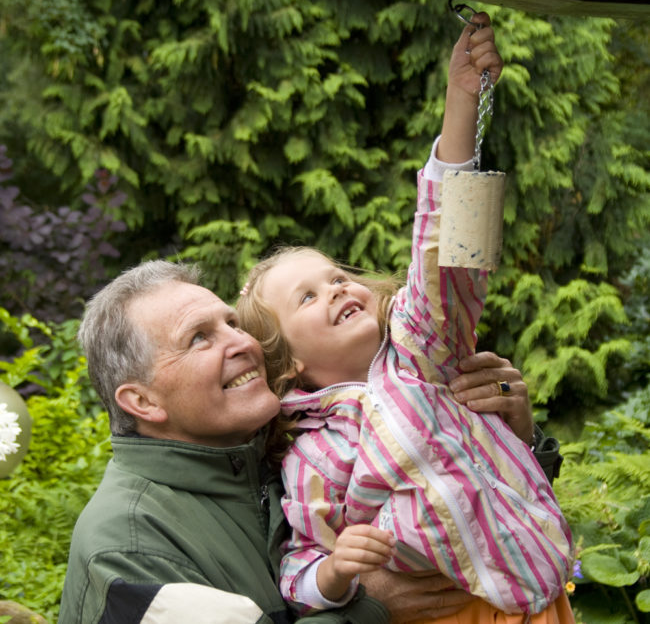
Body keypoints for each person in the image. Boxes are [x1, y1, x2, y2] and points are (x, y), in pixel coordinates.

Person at [236, 14, 574, 622]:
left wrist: (461, 102)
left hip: (537, 598)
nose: (337, 288)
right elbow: (300, 568)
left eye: (336, 276)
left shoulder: (423, 353)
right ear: (290, 368)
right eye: (306, 298)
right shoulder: (310, 454)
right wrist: (339, 572)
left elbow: (452, 258)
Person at [58, 260, 552, 624]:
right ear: (142, 402)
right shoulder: (126, 549)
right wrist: (365, 607)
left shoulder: (290, 448)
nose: (243, 342)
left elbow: (448, 502)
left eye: (231, 322)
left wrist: (510, 434)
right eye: (199, 338)